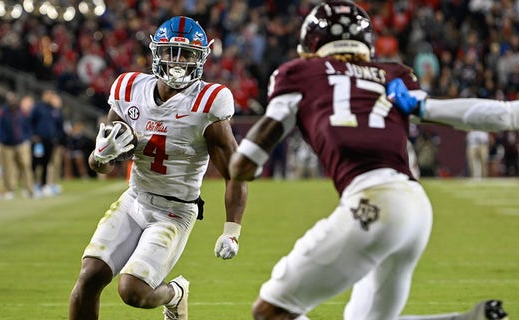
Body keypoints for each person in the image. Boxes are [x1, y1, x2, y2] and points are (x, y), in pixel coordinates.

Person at [228, 1, 508, 320]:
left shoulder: (299, 73)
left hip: (374, 201)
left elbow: (246, 161)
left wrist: (241, 166)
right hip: (415, 208)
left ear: (311, 43)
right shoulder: (393, 75)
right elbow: (473, 113)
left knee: (270, 313)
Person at [69, 16, 247, 320]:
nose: (177, 61)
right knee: (89, 277)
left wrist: (232, 230)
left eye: (187, 54)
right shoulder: (129, 87)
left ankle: (175, 294)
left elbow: (235, 171)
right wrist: (100, 159)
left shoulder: (208, 101)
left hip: (173, 211)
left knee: (133, 291)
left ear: (201, 58)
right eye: (170, 52)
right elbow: (101, 160)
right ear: (156, 53)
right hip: (134, 199)